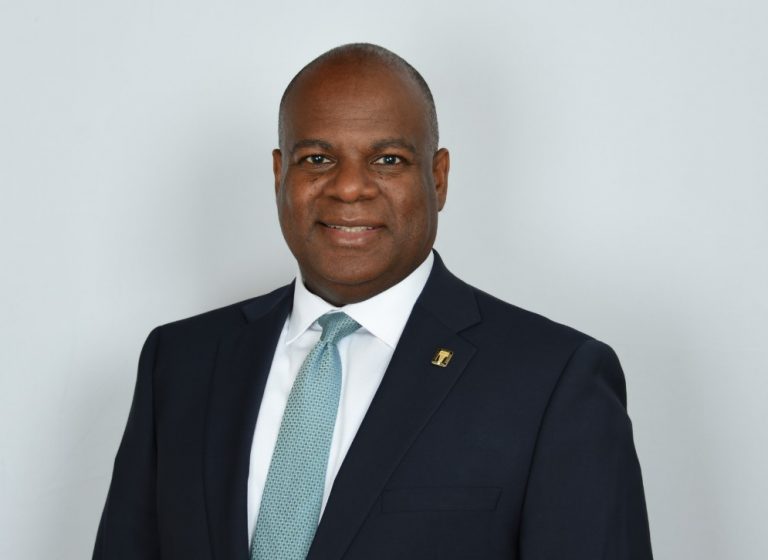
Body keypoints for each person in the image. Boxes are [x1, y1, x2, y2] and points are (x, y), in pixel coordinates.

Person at [93, 43, 653, 559]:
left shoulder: (553, 380)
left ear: (438, 178)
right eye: (317, 159)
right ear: (279, 175)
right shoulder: (180, 362)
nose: (349, 187)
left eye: (388, 160)